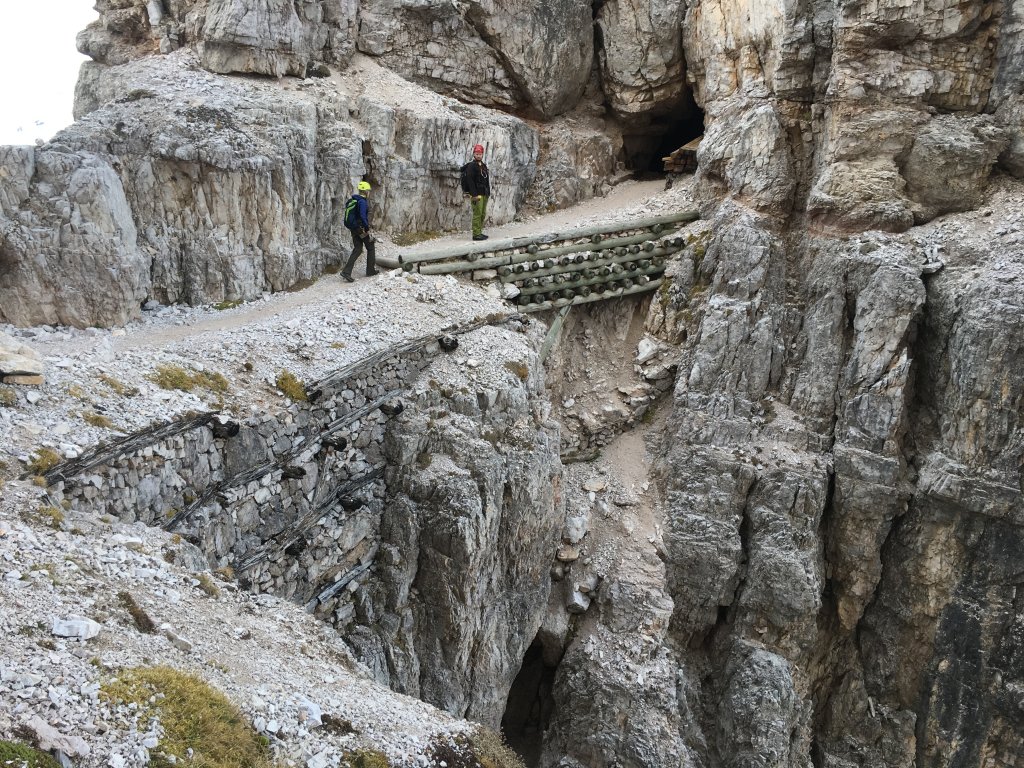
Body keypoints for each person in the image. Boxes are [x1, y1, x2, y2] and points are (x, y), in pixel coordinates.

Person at [341, 180, 377, 282]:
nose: (369, 192)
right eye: (368, 190)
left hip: (353, 228)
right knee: (370, 246)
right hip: (361, 229)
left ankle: (346, 272)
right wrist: (367, 228)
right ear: (365, 191)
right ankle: (370, 270)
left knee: (358, 248)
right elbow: (362, 216)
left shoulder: (353, 200)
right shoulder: (362, 202)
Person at [461, 144, 490, 241]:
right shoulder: (471, 166)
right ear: (474, 154)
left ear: (482, 155)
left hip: (484, 193)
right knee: (477, 213)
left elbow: (486, 181)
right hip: (476, 194)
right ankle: (476, 234)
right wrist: (474, 195)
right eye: (477, 154)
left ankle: (479, 232)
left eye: (480, 154)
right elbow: (470, 181)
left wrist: (488, 193)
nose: (478, 155)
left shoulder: (483, 166)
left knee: (482, 213)